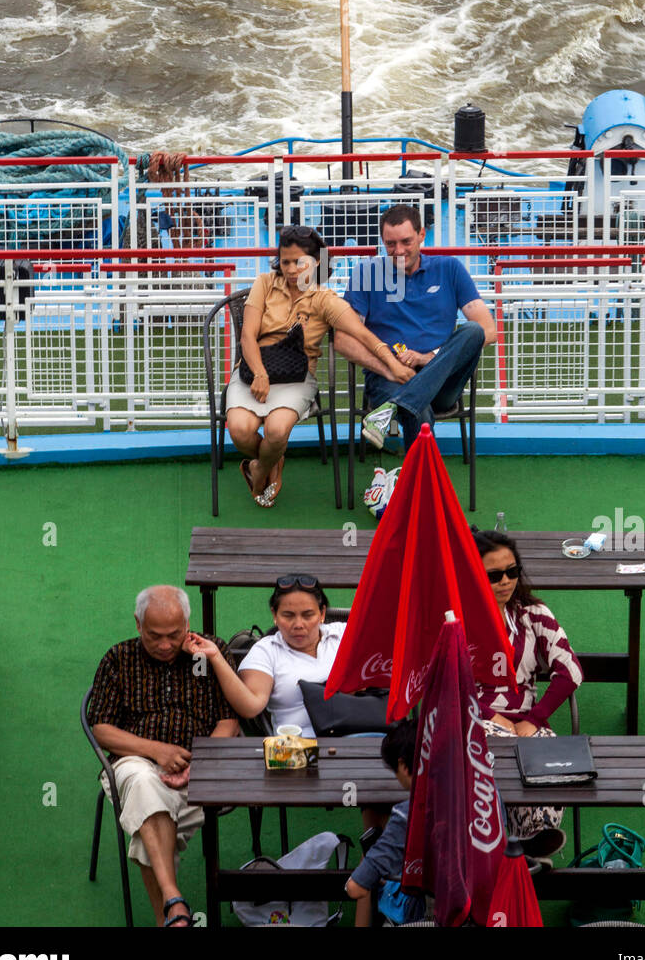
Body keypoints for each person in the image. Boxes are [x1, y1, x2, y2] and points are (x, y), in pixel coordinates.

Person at [226, 224, 413, 505]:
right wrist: (260, 374)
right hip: (253, 369)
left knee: (276, 431)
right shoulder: (264, 283)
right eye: (286, 262)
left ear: (316, 262)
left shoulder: (325, 299)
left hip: (297, 376)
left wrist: (392, 364)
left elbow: (362, 334)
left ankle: (260, 467)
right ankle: (272, 458)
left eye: (299, 262)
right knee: (239, 430)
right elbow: (247, 336)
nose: (291, 270)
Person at [87, 585, 239, 927]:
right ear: (138, 624)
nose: (166, 644)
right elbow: (102, 729)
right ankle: (173, 899)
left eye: (175, 634)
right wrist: (157, 750)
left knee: (146, 824)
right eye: (155, 636)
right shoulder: (118, 658)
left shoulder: (209, 652)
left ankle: (170, 915)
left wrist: (198, 763)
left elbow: (229, 720)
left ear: (187, 622)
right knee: (143, 782)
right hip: (135, 762)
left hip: (199, 767)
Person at [339, 204, 497, 451]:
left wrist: (428, 358)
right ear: (382, 240)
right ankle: (423, 486)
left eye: (406, 241)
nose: (398, 250)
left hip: (442, 381)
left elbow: (489, 329)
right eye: (390, 244)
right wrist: (391, 368)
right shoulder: (366, 273)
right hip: (388, 376)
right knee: (417, 411)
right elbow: (343, 340)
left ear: (422, 235)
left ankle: (397, 406)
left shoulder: (449, 269)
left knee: (473, 331)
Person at [472, 528, 583, 860]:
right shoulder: (456, 619)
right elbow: (448, 684)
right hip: (474, 717)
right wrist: (493, 717)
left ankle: (528, 844)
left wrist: (536, 718)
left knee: (550, 763)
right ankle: (508, 848)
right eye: (494, 575)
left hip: (527, 723)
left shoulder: (534, 613)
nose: (506, 581)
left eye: (512, 571)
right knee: (496, 753)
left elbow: (571, 671)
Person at [183, 573, 343, 738]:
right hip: (298, 748)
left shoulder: (344, 634)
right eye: (288, 615)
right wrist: (216, 656)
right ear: (274, 615)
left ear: (322, 613)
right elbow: (250, 706)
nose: (298, 624)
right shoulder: (266, 651)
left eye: (308, 615)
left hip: (357, 737)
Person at [344, 717, 425, 927]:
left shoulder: (407, 814)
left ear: (403, 765)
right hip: (482, 910)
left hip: (429, 916)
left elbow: (356, 887)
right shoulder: (487, 795)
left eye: (395, 772)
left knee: (371, 860)